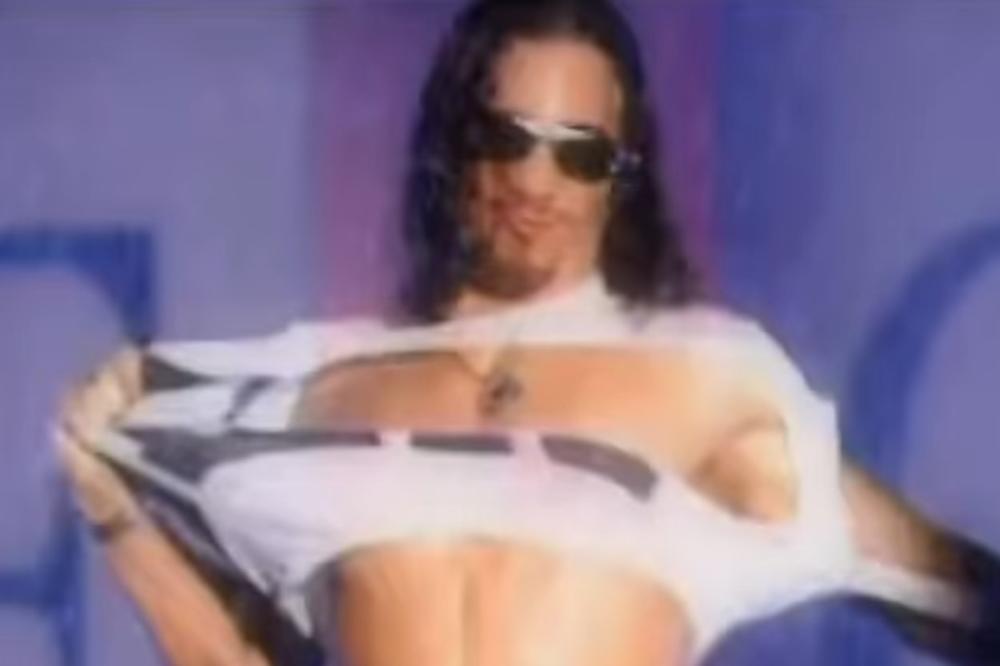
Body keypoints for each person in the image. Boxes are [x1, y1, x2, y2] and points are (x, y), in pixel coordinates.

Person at [57, 1, 999, 665]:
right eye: (508, 138)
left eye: (577, 153)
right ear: (457, 142)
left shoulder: (707, 382)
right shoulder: (310, 393)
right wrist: (112, 508)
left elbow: (949, 585)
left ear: (620, 178)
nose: (534, 183)